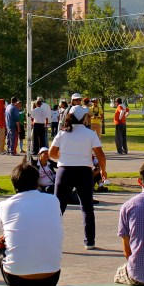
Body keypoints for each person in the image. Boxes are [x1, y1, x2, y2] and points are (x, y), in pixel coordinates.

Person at [0, 162, 64, 286]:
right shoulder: (53, 200)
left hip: (17, 279)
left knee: (3, 245)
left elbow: (3, 232)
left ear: (14, 184)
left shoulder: (3, 206)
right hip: (51, 278)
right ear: (37, 182)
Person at [50, 104, 107, 250]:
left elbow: (51, 153)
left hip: (64, 171)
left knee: (58, 208)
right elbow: (100, 155)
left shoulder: (62, 133)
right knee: (87, 208)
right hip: (84, 172)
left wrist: (64, 156)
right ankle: (90, 241)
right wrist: (103, 170)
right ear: (83, 119)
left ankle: (52, 240)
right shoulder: (90, 134)